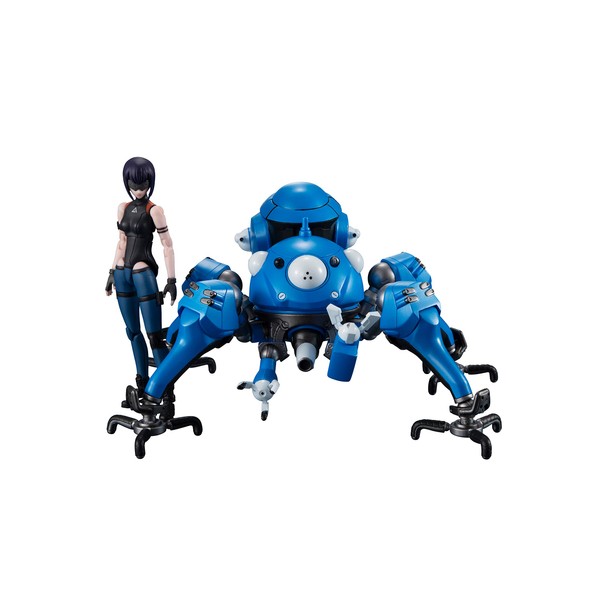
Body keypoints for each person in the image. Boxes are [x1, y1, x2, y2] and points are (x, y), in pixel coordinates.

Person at [105, 157, 177, 395]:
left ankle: (165, 388)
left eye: (143, 185)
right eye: (133, 185)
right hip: (122, 273)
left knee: (154, 337)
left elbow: (167, 245)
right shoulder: (123, 208)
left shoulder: (155, 210)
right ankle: (142, 382)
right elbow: (121, 242)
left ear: (150, 183)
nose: (138, 190)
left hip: (143, 272)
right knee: (133, 333)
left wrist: (171, 280)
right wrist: (110, 272)